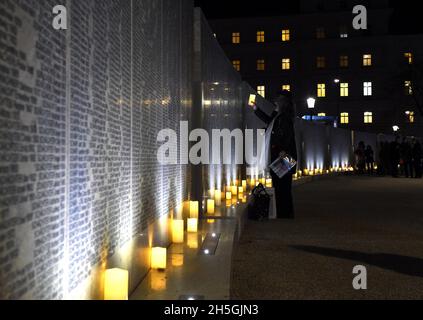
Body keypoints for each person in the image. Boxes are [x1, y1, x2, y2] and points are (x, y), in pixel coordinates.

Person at [252, 90, 297, 219]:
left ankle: (285, 213)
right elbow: (269, 121)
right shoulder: (279, 116)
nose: (275, 102)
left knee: (282, 185)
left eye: (278, 100)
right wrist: (256, 109)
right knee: (281, 185)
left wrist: (283, 149)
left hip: (283, 156)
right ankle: (285, 212)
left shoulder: (284, 118)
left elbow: (286, 136)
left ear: (283, 103)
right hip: (282, 155)